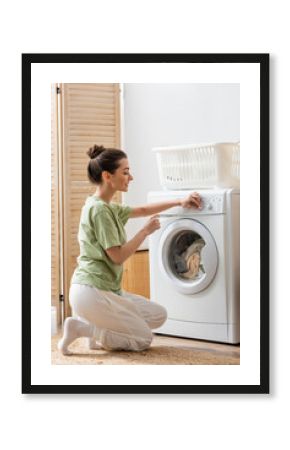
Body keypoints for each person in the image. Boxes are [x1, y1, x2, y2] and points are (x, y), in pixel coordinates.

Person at [58, 145, 202, 355]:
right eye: (125, 172)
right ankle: (83, 329)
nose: (130, 177)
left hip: (102, 290)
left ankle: (95, 328)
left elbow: (143, 210)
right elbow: (117, 257)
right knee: (143, 338)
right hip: (92, 291)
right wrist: (144, 232)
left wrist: (180, 201)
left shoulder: (106, 206)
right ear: (108, 176)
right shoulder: (99, 211)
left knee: (157, 315)